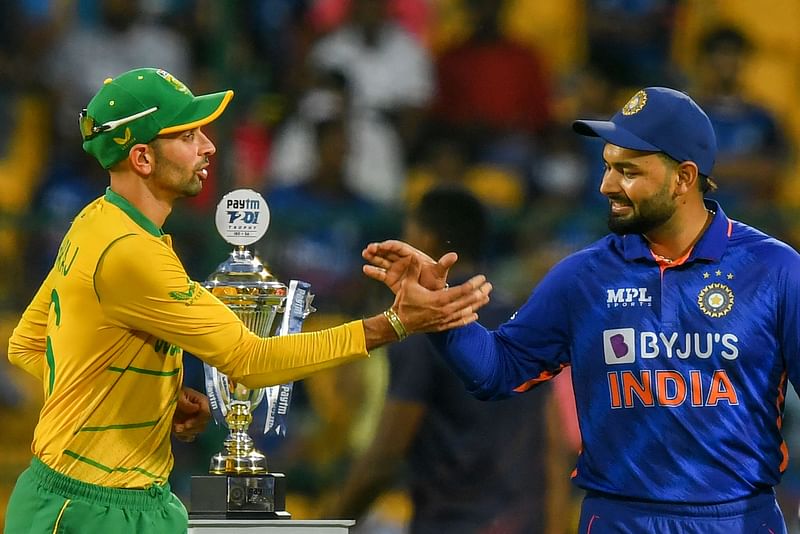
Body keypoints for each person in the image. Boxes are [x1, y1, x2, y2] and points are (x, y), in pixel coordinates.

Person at [3, 67, 491, 534]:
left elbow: (28, 343)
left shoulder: (95, 222)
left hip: (122, 499)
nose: (208, 146)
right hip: (87, 511)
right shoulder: (130, 253)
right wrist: (393, 324)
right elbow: (250, 361)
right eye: (187, 135)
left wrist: (153, 397)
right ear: (143, 159)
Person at [363, 86, 797, 532]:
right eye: (608, 166)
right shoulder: (582, 277)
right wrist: (442, 313)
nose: (606, 184)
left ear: (684, 178)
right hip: (617, 520)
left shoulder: (776, 271)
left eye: (627, 171)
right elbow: (499, 371)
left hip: (738, 520)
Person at [322, 185, 558, 533]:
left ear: (426, 242)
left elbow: (384, 460)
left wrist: (328, 524)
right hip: (523, 523)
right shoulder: (524, 322)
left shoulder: (425, 327)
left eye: (408, 236)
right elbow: (553, 445)